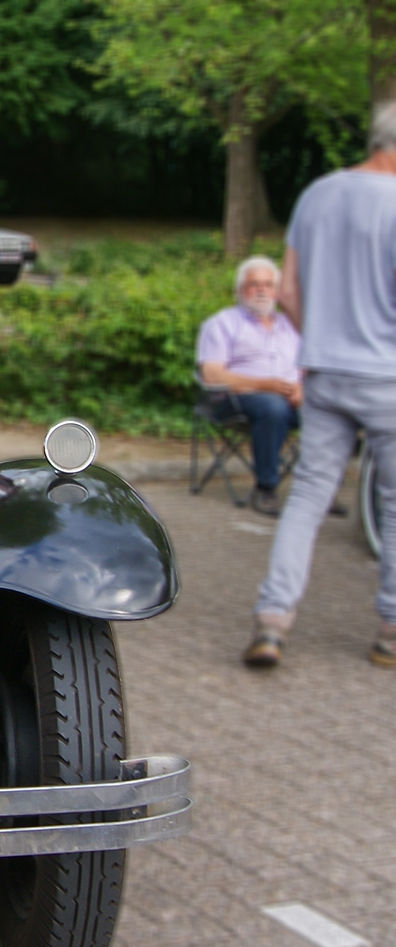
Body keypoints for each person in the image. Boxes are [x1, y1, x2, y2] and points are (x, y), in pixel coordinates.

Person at [243, 100, 396, 670]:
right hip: (389, 376)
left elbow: (286, 293)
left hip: (326, 371)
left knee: (306, 497)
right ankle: (390, 633)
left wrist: (321, 341)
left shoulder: (319, 194)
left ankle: (272, 621)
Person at [196, 256, 302, 515]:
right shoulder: (222, 323)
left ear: (277, 291)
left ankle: (319, 489)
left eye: (268, 284)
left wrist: (303, 388)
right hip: (233, 399)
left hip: (292, 398)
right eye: (254, 284)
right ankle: (266, 489)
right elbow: (211, 374)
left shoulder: (291, 326)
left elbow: (306, 368)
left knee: (329, 412)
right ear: (240, 290)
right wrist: (265, 385)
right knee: (272, 407)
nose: (262, 290)